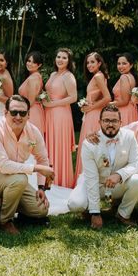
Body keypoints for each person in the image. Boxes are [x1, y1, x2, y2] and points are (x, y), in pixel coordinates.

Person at [0, 95, 55, 235]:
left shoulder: (33, 131)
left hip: (14, 178)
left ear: (28, 115)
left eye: (22, 113)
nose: (18, 117)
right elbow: (4, 165)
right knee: (20, 179)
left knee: (41, 210)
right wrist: (37, 169)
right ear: (5, 112)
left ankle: (4, 203)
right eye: (13, 112)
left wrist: (41, 188)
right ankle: (6, 221)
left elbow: (42, 158)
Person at [68, 104, 138, 229]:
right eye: (106, 120)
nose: (110, 124)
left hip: (116, 184)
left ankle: (123, 214)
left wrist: (119, 174)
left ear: (121, 122)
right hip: (95, 183)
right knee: (75, 204)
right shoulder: (89, 143)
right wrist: (95, 212)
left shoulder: (129, 136)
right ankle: (88, 210)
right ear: (100, 122)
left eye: (114, 120)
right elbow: (92, 179)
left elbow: (137, 163)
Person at [43, 48, 78, 187]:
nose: (60, 60)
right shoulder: (53, 74)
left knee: (58, 146)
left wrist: (52, 104)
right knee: (48, 145)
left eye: (64, 58)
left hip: (60, 114)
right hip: (49, 113)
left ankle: (60, 181)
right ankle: (47, 178)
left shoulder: (68, 76)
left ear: (69, 61)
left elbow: (73, 97)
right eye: (58, 56)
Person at [75, 52, 112, 182]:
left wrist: (91, 107)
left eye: (92, 62)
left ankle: (88, 180)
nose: (89, 65)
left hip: (94, 115)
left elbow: (108, 97)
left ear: (99, 63)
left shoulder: (98, 76)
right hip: (92, 113)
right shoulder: (98, 76)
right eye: (88, 62)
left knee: (90, 146)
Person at [18, 51, 45, 134]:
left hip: (31, 112)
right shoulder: (35, 76)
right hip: (34, 110)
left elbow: (30, 101)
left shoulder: (33, 78)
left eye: (34, 62)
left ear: (39, 65)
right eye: (29, 61)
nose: (30, 64)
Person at [111, 52, 138, 126]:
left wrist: (108, 104)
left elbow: (124, 101)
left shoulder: (124, 77)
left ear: (131, 65)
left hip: (124, 111)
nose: (120, 66)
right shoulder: (131, 76)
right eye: (118, 63)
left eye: (124, 63)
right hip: (130, 110)